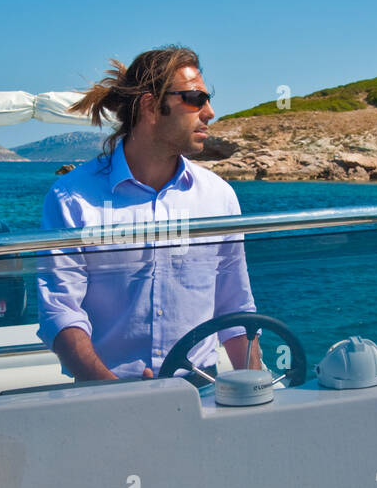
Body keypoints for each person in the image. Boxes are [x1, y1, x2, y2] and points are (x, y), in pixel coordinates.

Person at [36, 47, 257, 381]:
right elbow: (61, 312)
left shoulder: (219, 197)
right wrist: (111, 392)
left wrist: (257, 387)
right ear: (152, 107)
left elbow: (234, 307)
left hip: (201, 390)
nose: (210, 112)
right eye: (195, 99)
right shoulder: (72, 198)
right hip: (103, 397)